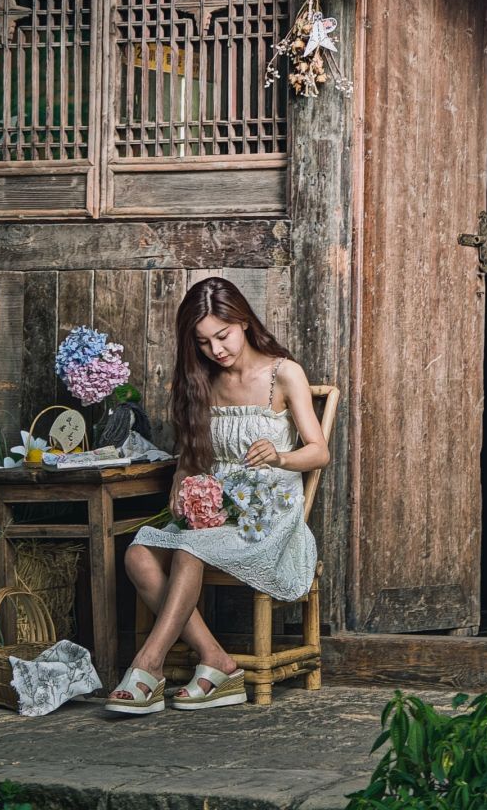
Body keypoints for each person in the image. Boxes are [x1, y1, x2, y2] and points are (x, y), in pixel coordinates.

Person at [106, 276, 329, 714]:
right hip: (216, 510)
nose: (217, 350)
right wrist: (180, 487)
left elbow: (319, 451)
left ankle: (146, 666)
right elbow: (192, 455)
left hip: (267, 514)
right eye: (204, 342)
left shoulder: (284, 373)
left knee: (190, 551)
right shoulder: (202, 380)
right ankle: (218, 662)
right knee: (137, 553)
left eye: (222, 336)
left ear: (243, 320)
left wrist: (281, 457)